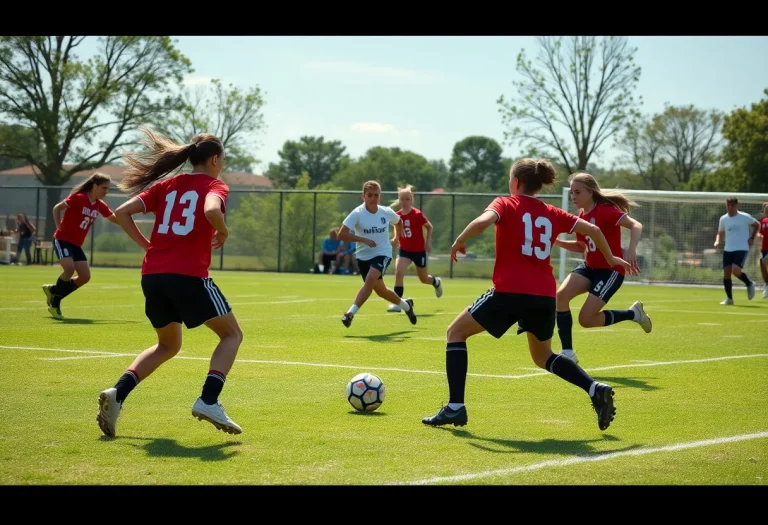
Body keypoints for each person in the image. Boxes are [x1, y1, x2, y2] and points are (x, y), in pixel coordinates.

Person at [421, 158, 636, 431]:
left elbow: (483, 221)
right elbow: (592, 230)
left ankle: (455, 408)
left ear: (516, 182)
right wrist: (612, 258)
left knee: (455, 333)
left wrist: (460, 239)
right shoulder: (552, 211)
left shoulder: (505, 203)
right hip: (544, 296)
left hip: (510, 291)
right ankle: (594, 388)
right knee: (542, 356)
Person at [96, 128, 243, 438]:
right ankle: (209, 400)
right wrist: (224, 231)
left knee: (168, 344)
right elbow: (211, 209)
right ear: (215, 159)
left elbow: (121, 212)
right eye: (223, 160)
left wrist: (146, 244)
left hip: (152, 276)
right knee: (232, 335)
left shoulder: (167, 185)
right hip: (187, 275)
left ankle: (117, 393)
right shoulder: (215, 185)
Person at [552, 173, 652, 364]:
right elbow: (582, 247)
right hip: (589, 267)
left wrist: (631, 250)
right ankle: (567, 353)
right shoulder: (582, 215)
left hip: (610, 271)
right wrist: (557, 242)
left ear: (590, 192)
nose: (573, 196)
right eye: (572, 192)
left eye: (577, 192)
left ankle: (633, 314)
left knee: (586, 319)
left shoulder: (605, 211)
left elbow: (635, 225)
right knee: (561, 296)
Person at [337, 180, 417, 328]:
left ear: (380, 196)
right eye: (370, 195)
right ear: (364, 197)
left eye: (376, 195)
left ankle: (350, 314)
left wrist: (396, 238)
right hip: (363, 256)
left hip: (383, 253)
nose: (373, 198)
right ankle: (407, 306)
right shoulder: (357, 213)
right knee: (381, 292)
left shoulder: (385, 212)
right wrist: (362, 239)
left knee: (370, 279)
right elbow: (342, 234)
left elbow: (398, 222)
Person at [42, 173, 118, 319]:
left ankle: (54, 290)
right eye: (104, 188)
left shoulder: (99, 205)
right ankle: (55, 304)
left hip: (76, 244)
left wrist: (128, 220)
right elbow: (57, 208)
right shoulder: (79, 198)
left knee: (84, 277)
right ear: (94, 186)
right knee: (69, 269)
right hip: (62, 240)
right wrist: (58, 226)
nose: (106, 192)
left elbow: (113, 218)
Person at [386, 184, 443, 313]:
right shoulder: (397, 215)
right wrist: (396, 238)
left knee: (423, 279)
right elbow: (397, 227)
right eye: (402, 199)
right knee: (399, 272)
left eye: (407, 199)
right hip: (404, 250)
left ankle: (436, 282)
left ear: (412, 200)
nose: (405, 202)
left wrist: (428, 242)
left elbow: (429, 227)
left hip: (418, 251)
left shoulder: (417, 214)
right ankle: (398, 303)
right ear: (399, 200)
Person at [714, 197, 759, 305]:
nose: (730, 207)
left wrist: (752, 238)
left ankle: (749, 283)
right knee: (726, 273)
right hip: (728, 249)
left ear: (737, 206)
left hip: (741, 247)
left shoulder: (744, 217)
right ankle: (729, 299)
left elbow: (757, 225)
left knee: (735, 270)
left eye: (732, 205)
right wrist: (717, 241)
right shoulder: (723, 219)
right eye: (728, 205)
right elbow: (720, 233)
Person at [758, 203, 768, 299]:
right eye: (766, 208)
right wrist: (759, 235)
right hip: (765, 248)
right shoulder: (762, 221)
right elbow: (759, 232)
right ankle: (767, 285)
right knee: (763, 264)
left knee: (764, 262)